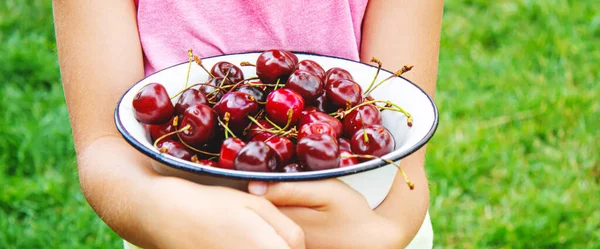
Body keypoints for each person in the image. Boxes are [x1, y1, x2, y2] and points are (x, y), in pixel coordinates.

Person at [51, 0, 444, 248]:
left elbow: (406, 160)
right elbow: (104, 144)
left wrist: (386, 234)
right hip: (184, 231)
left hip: (359, 225)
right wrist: (153, 208)